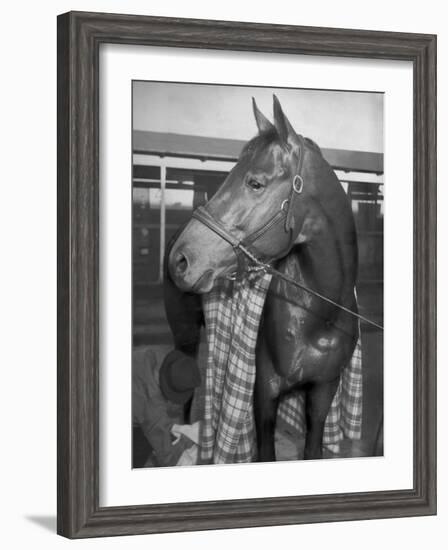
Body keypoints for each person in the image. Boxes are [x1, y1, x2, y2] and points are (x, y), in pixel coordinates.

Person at [132, 347, 201, 467]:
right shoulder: (153, 410)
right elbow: (167, 459)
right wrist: (185, 443)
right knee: (139, 452)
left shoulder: (158, 355)